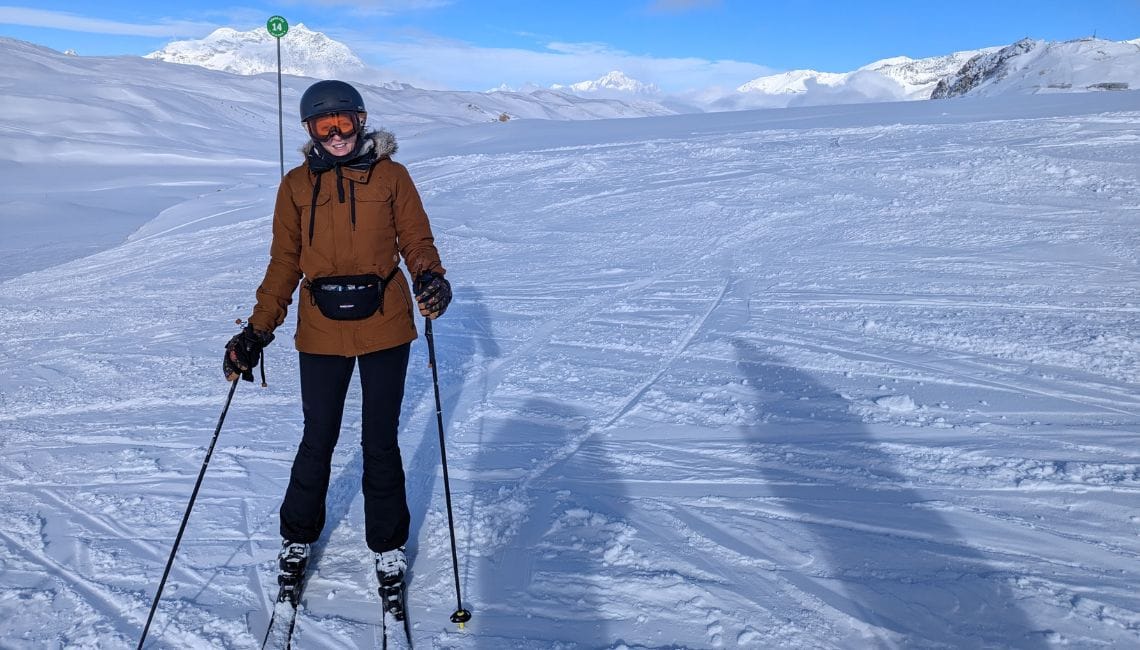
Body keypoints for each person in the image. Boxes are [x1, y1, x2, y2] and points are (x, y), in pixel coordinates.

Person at [222, 79, 451, 594]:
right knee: (317, 437)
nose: (336, 133)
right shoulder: (296, 186)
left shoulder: (393, 176)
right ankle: (297, 537)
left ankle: (388, 546)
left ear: (361, 120)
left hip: (385, 325)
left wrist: (429, 276)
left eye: (344, 121)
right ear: (310, 131)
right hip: (321, 329)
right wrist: (258, 330)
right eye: (324, 125)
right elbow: (284, 262)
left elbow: (416, 239)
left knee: (379, 441)